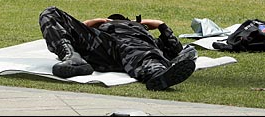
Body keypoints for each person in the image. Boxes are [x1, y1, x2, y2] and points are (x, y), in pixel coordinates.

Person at [39, 6, 197, 91]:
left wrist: (160, 24)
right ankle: (72, 58)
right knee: (50, 13)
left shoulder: (141, 33)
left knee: (143, 52)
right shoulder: (101, 30)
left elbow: (175, 48)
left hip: (135, 48)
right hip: (104, 47)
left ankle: (157, 74)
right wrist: (96, 22)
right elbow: (71, 30)